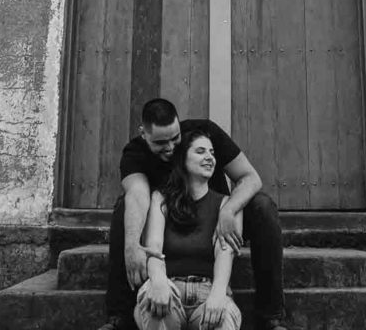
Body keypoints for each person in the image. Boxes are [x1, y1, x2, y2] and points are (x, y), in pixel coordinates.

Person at [98, 98, 287, 330]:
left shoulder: (203, 134)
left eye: (175, 138)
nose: (171, 147)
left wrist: (228, 210)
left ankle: (271, 316)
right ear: (143, 134)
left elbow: (251, 178)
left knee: (263, 206)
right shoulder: (135, 153)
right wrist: (132, 247)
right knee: (124, 207)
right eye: (160, 142)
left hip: (217, 220)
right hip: (168, 223)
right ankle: (119, 316)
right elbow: (137, 194)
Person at [135, 129, 242, 330]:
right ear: (183, 159)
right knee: (153, 305)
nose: (209, 157)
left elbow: (225, 254)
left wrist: (218, 294)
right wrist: (157, 280)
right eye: (200, 151)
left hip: (208, 291)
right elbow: (153, 248)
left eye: (212, 153)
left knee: (224, 317)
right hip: (168, 286)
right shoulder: (160, 199)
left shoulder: (227, 205)